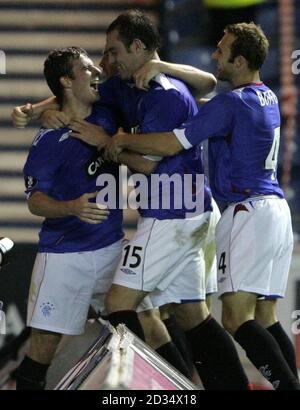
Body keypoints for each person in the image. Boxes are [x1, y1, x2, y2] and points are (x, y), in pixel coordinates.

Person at [106, 22, 300, 390]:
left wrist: (120, 139)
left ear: (239, 61)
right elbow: (206, 95)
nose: (215, 56)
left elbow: (168, 146)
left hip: (247, 212)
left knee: (236, 319)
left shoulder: (231, 103)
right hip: (276, 209)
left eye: (222, 51)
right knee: (266, 315)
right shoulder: (266, 96)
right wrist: (164, 69)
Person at [13, 46, 189, 390]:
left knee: (150, 323)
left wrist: (36, 109)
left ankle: (183, 391)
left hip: (110, 246)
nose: (97, 72)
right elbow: (35, 202)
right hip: (64, 255)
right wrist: (72, 207)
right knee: (43, 346)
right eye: (87, 69)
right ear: (66, 80)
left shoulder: (107, 113)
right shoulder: (48, 141)